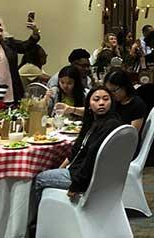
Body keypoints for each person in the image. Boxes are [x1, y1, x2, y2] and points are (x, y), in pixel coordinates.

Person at [27, 87, 126, 236]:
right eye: (96, 99)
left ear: (112, 102)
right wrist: (62, 168)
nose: (101, 103)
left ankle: (35, 226)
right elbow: (77, 150)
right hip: (101, 179)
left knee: (39, 179)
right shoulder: (96, 122)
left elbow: (93, 157)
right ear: (89, 104)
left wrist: (77, 184)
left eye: (106, 99)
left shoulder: (109, 125)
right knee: (51, 173)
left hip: (85, 179)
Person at [103, 71, 148, 154]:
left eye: (114, 91)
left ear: (124, 87)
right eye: (108, 91)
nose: (111, 95)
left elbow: (132, 134)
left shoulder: (137, 104)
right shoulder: (115, 101)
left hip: (126, 147)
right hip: (111, 139)